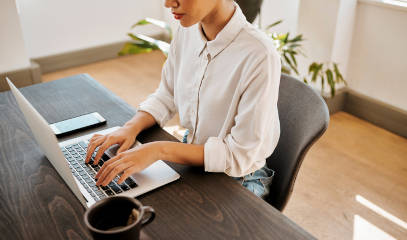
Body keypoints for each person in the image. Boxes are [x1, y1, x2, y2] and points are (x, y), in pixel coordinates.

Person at [85, 0, 281, 199]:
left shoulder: (259, 54)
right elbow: (167, 94)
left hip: (239, 179)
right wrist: (130, 128)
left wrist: (158, 150)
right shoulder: (187, 32)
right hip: (192, 158)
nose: (168, 3)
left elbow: (238, 156)